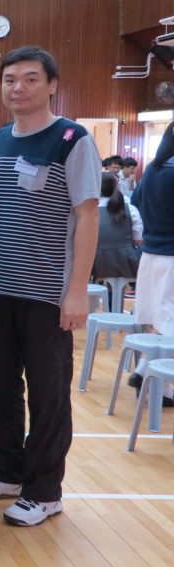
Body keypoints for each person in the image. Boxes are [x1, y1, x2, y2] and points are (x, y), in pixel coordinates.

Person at [0, 46, 100, 527]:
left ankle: (44, 490)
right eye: (9, 80)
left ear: (52, 84)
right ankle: (2, 470)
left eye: (29, 79)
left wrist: (77, 289)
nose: (17, 88)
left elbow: (86, 215)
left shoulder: (71, 139)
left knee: (48, 393)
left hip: (45, 294)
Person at [129, 122, 174, 383]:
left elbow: (136, 202)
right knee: (169, 319)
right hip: (171, 256)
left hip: (150, 254)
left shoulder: (153, 172)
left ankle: (145, 368)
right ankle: (162, 386)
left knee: (158, 317)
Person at [93, 172, 142, 281]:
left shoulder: (90, 211)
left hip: (95, 264)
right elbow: (138, 240)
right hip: (128, 264)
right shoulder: (130, 209)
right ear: (117, 186)